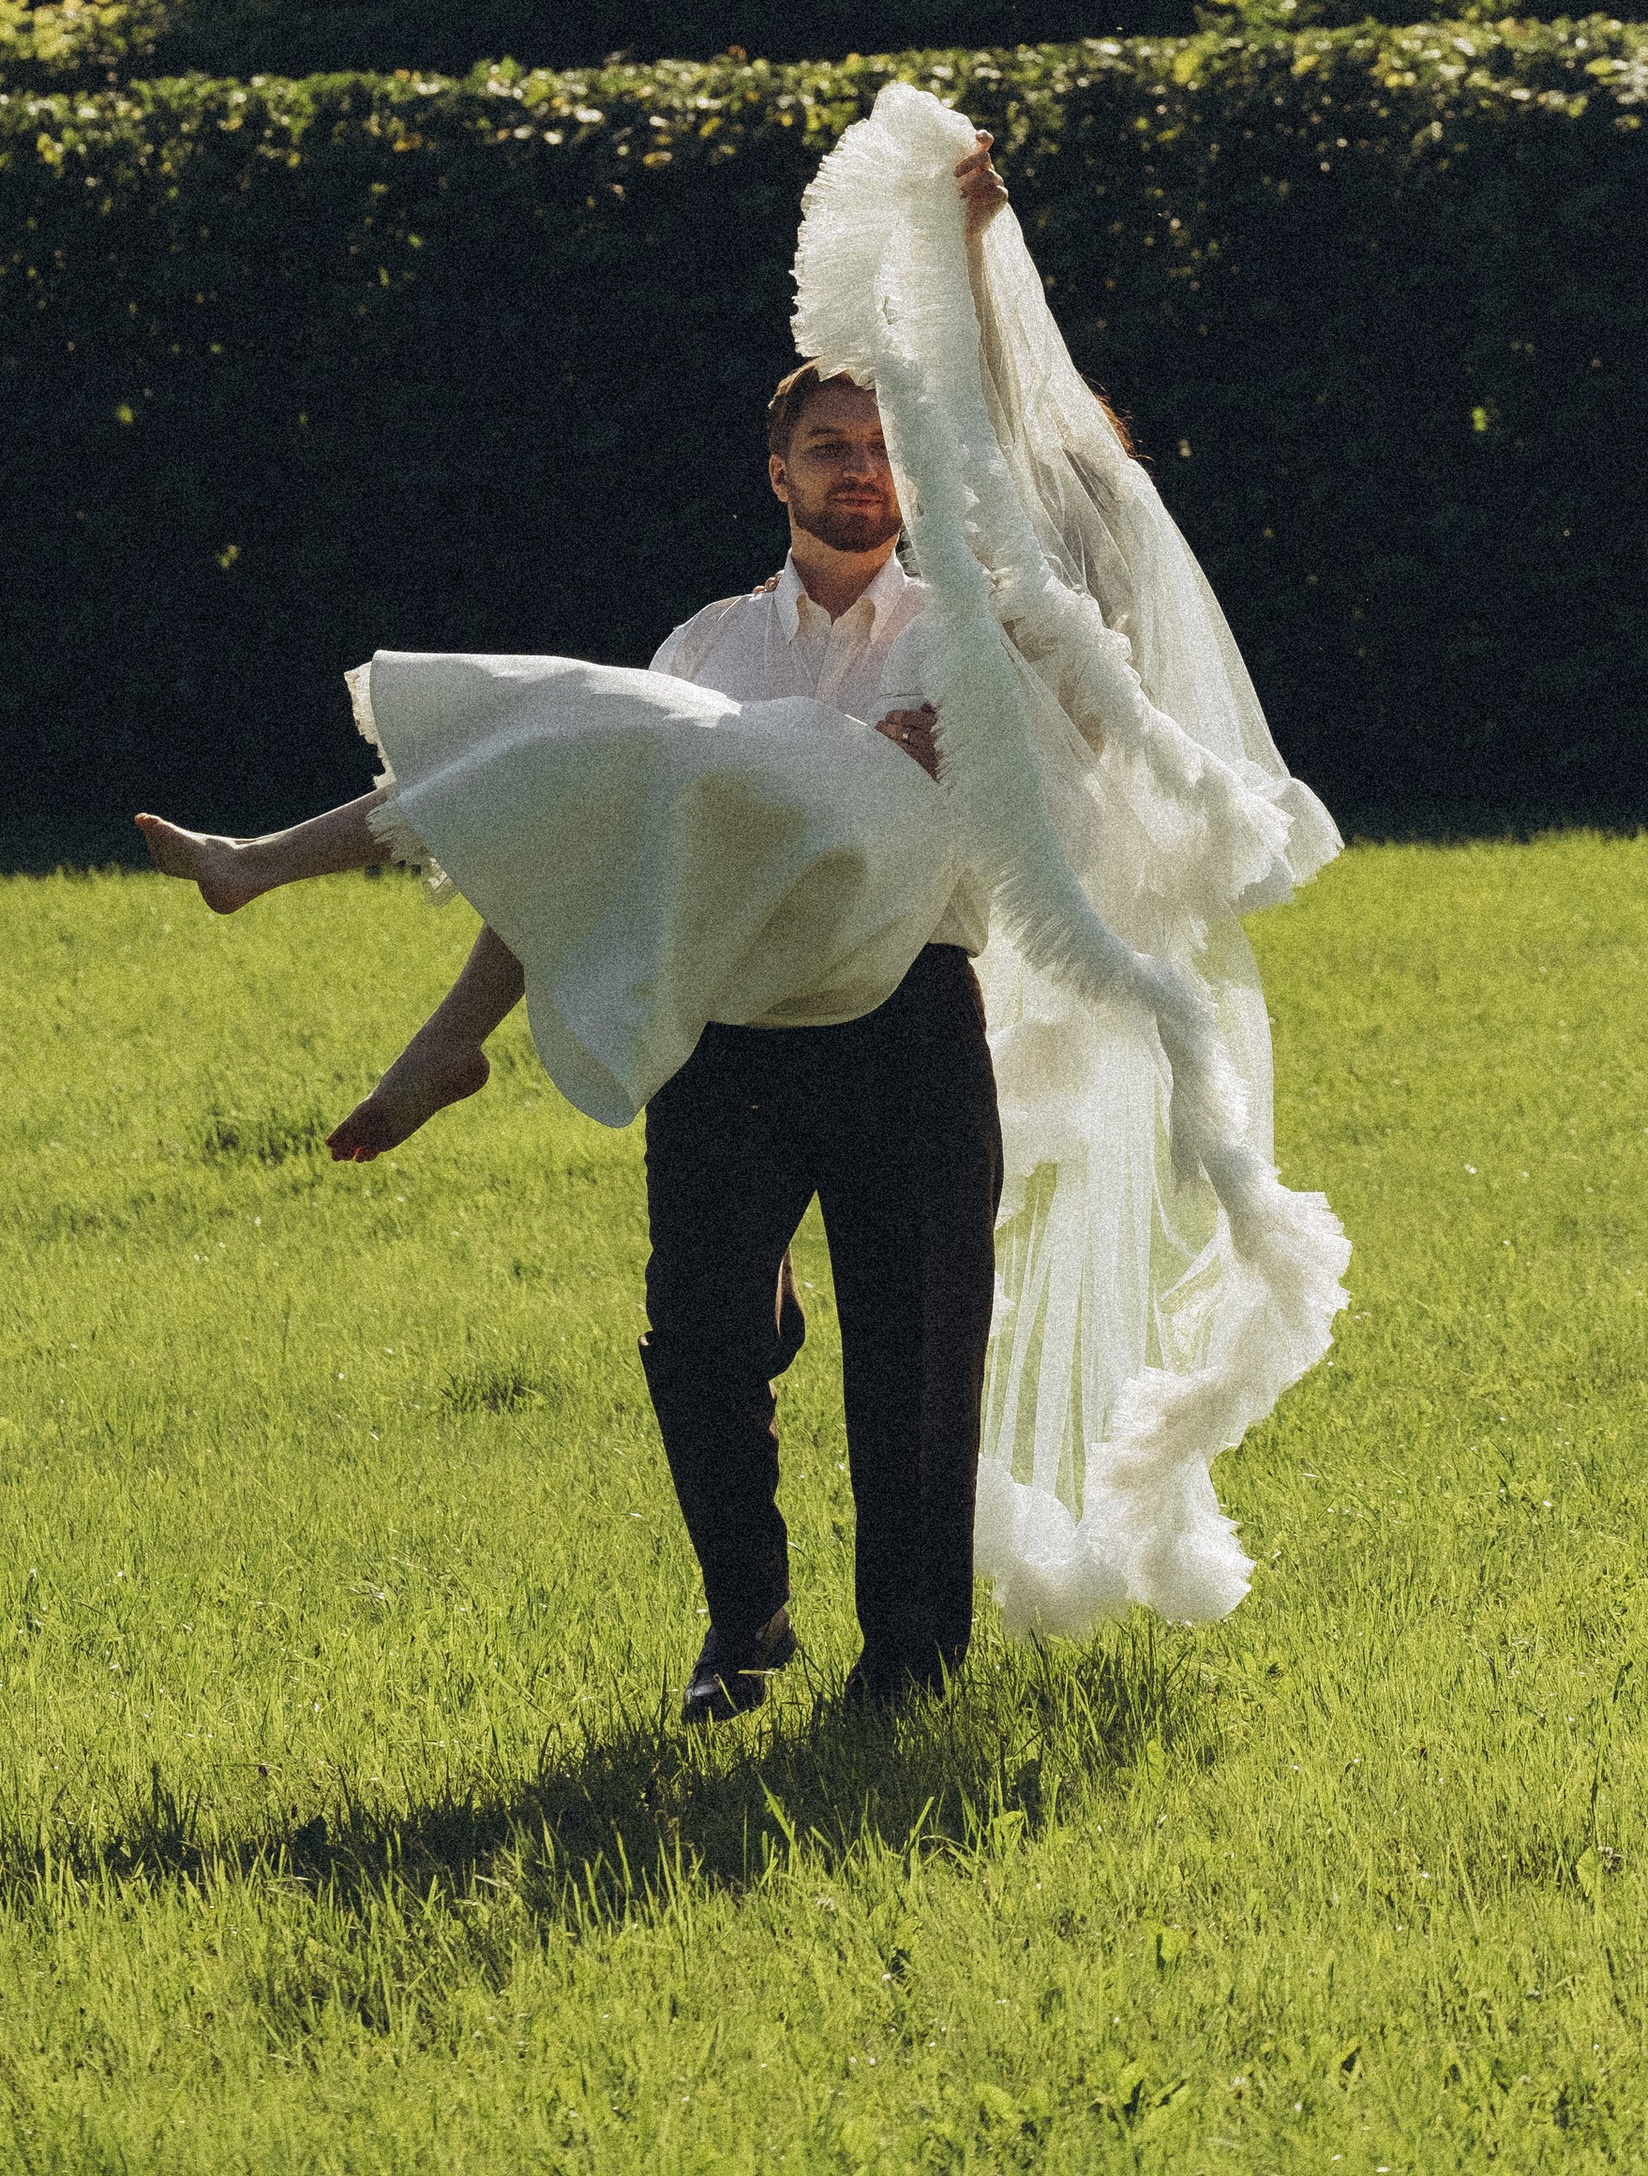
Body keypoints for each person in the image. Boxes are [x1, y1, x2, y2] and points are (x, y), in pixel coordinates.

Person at [135, 82, 1350, 1708]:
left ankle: (907, 1670)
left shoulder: (974, 632)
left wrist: (973, 262)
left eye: (878, 450)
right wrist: (455, 1028)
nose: (860, 472)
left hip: (909, 1016)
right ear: (776, 467)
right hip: (729, 1030)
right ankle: (744, 1624)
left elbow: (1046, 454)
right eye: (827, 448)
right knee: (699, 1340)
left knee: (916, 1361)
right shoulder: (707, 644)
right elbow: (607, 861)